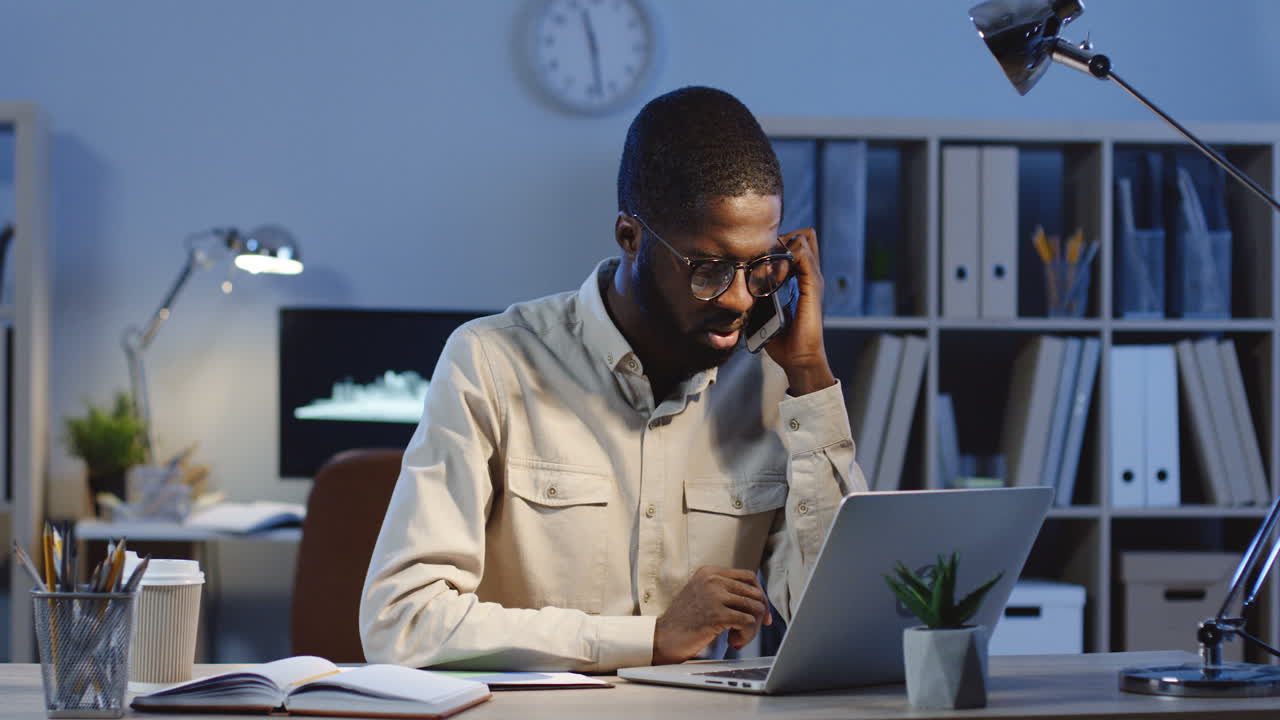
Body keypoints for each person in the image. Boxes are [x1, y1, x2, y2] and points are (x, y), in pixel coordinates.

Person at [360, 86, 866, 672]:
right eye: (709, 269)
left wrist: (810, 377)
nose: (735, 300)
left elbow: (839, 623)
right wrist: (647, 638)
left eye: (759, 269)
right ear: (630, 236)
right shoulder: (493, 363)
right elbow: (402, 621)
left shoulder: (776, 382)